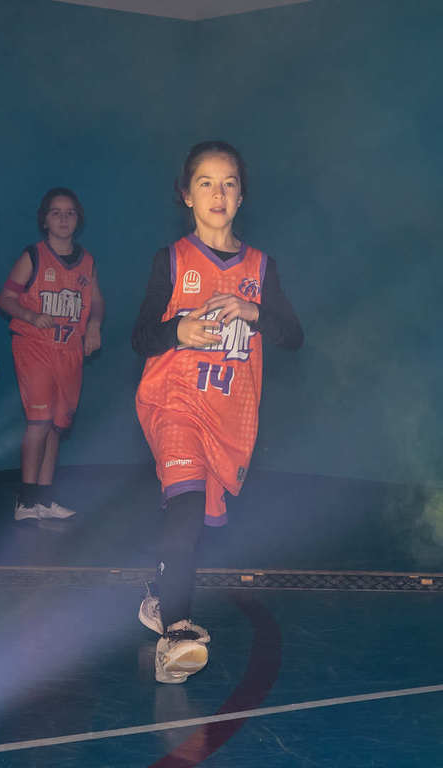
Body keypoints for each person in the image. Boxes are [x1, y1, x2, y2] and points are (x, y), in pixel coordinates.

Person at [132, 141, 303, 683]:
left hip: (229, 413)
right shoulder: (172, 260)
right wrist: (178, 330)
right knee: (184, 507)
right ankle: (176, 635)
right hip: (174, 400)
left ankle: (161, 595)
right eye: (205, 182)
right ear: (187, 195)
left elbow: (293, 335)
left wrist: (254, 310)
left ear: (242, 195)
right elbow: (140, 337)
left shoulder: (261, 267)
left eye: (229, 182)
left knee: (196, 522)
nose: (218, 192)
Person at [0, 188, 104, 521]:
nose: (63, 218)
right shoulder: (33, 256)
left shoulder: (87, 261)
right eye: (56, 212)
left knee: (57, 426)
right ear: (44, 220)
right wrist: (30, 316)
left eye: (69, 212)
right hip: (35, 346)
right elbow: (5, 299)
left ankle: (43, 499)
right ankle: (25, 499)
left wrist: (94, 326)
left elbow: (96, 301)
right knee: (39, 422)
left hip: (69, 349)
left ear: (78, 219)